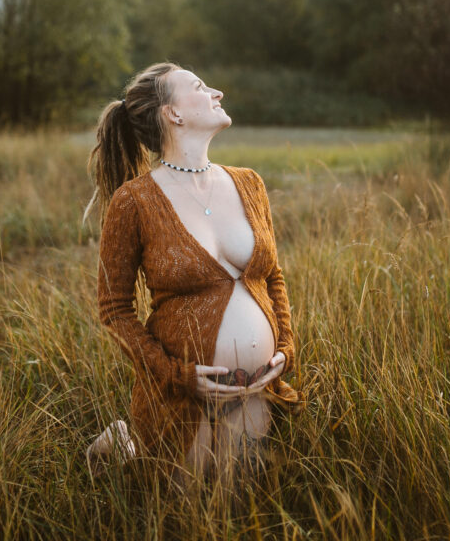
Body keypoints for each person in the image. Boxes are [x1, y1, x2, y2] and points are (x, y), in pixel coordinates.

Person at [84, 62, 301, 486]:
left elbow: (272, 277)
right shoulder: (134, 202)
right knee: (184, 510)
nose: (217, 92)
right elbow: (114, 310)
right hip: (181, 397)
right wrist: (176, 375)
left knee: (244, 504)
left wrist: (286, 349)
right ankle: (119, 446)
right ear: (174, 113)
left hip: (256, 390)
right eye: (200, 86)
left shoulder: (249, 184)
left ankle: (127, 446)